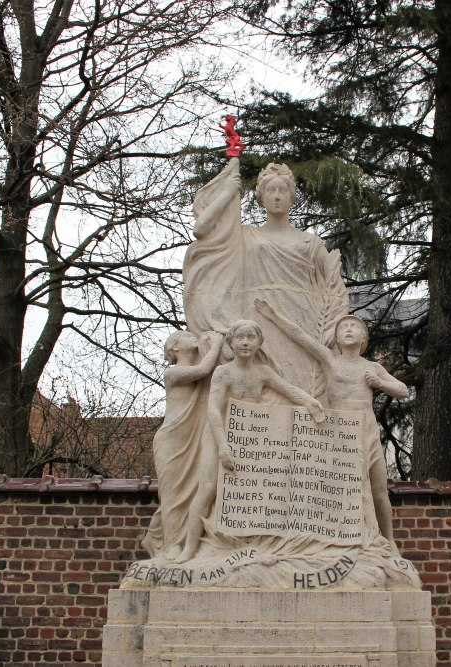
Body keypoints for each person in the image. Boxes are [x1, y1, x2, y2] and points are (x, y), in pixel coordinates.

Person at [183, 158, 348, 400]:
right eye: (271, 190)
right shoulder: (245, 236)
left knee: (305, 391)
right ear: (262, 197)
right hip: (257, 318)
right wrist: (228, 192)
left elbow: (334, 286)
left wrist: (334, 324)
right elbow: (201, 230)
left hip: (305, 322)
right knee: (266, 392)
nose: (277, 196)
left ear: (292, 197)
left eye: (283, 190)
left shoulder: (311, 243)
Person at [254, 298, 409, 553]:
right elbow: (300, 336)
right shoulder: (329, 359)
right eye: (343, 327)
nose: (348, 329)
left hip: (366, 427)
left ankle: (388, 539)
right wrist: (272, 314)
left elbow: (402, 390)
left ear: (363, 339)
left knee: (378, 488)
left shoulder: (372, 367)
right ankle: (344, 537)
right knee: (342, 485)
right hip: (339, 429)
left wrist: (380, 383)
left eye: (354, 327)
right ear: (336, 338)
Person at [175, 319, 326, 562]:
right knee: (208, 488)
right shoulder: (223, 372)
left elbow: (288, 390)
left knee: (256, 491)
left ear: (259, 342)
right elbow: (213, 409)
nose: (245, 342)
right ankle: (189, 548)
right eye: (240, 338)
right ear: (231, 343)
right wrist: (223, 446)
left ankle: (252, 547)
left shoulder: (263, 372)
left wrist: (309, 401)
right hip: (219, 435)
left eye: (250, 337)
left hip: (250, 441)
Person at [141, 330, 223, 561]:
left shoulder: (198, 374)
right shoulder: (173, 374)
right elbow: (203, 370)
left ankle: (161, 537)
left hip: (194, 437)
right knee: (173, 494)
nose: (192, 337)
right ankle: (170, 545)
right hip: (172, 439)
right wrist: (216, 344)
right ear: (175, 348)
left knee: (193, 490)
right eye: (186, 336)